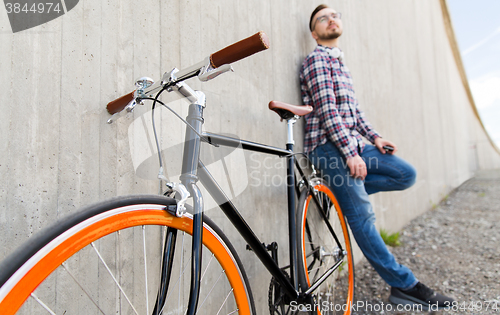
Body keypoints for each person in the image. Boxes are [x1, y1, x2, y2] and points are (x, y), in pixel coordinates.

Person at [299, 4, 454, 310]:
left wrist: (375, 138)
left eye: (335, 15)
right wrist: (349, 154)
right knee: (364, 218)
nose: (331, 19)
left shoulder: (340, 63)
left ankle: (343, 194)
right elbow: (328, 114)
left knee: (404, 173)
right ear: (314, 31)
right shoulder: (316, 60)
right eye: (322, 18)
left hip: (351, 144)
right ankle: (405, 286)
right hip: (328, 148)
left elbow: (354, 114)